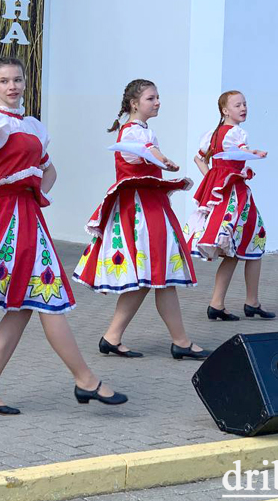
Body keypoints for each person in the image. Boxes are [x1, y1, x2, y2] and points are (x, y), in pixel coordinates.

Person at [0, 57, 127, 415]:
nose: (12, 86)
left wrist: (39, 194)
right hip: (7, 218)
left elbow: (48, 169)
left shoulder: (35, 126)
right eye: (4, 81)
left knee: (22, 307)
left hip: (27, 216)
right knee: (45, 299)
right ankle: (85, 380)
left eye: (17, 79)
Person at [73, 79, 210, 360]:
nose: (157, 102)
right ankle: (179, 341)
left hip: (147, 208)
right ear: (135, 103)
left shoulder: (142, 130)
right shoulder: (133, 132)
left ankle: (113, 337)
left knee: (151, 276)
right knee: (158, 274)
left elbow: (149, 149)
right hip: (140, 213)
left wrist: (162, 160)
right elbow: (147, 151)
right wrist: (165, 160)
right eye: (151, 98)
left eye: (158, 97)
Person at [184, 90, 272, 321]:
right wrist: (254, 153)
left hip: (223, 195)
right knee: (254, 241)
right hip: (236, 195)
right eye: (237, 105)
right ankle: (249, 302)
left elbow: (199, 157)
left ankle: (219, 304)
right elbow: (241, 150)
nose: (243, 108)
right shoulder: (235, 132)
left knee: (236, 249)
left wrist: (212, 179)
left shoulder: (212, 135)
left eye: (244, 104)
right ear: (225, 110)